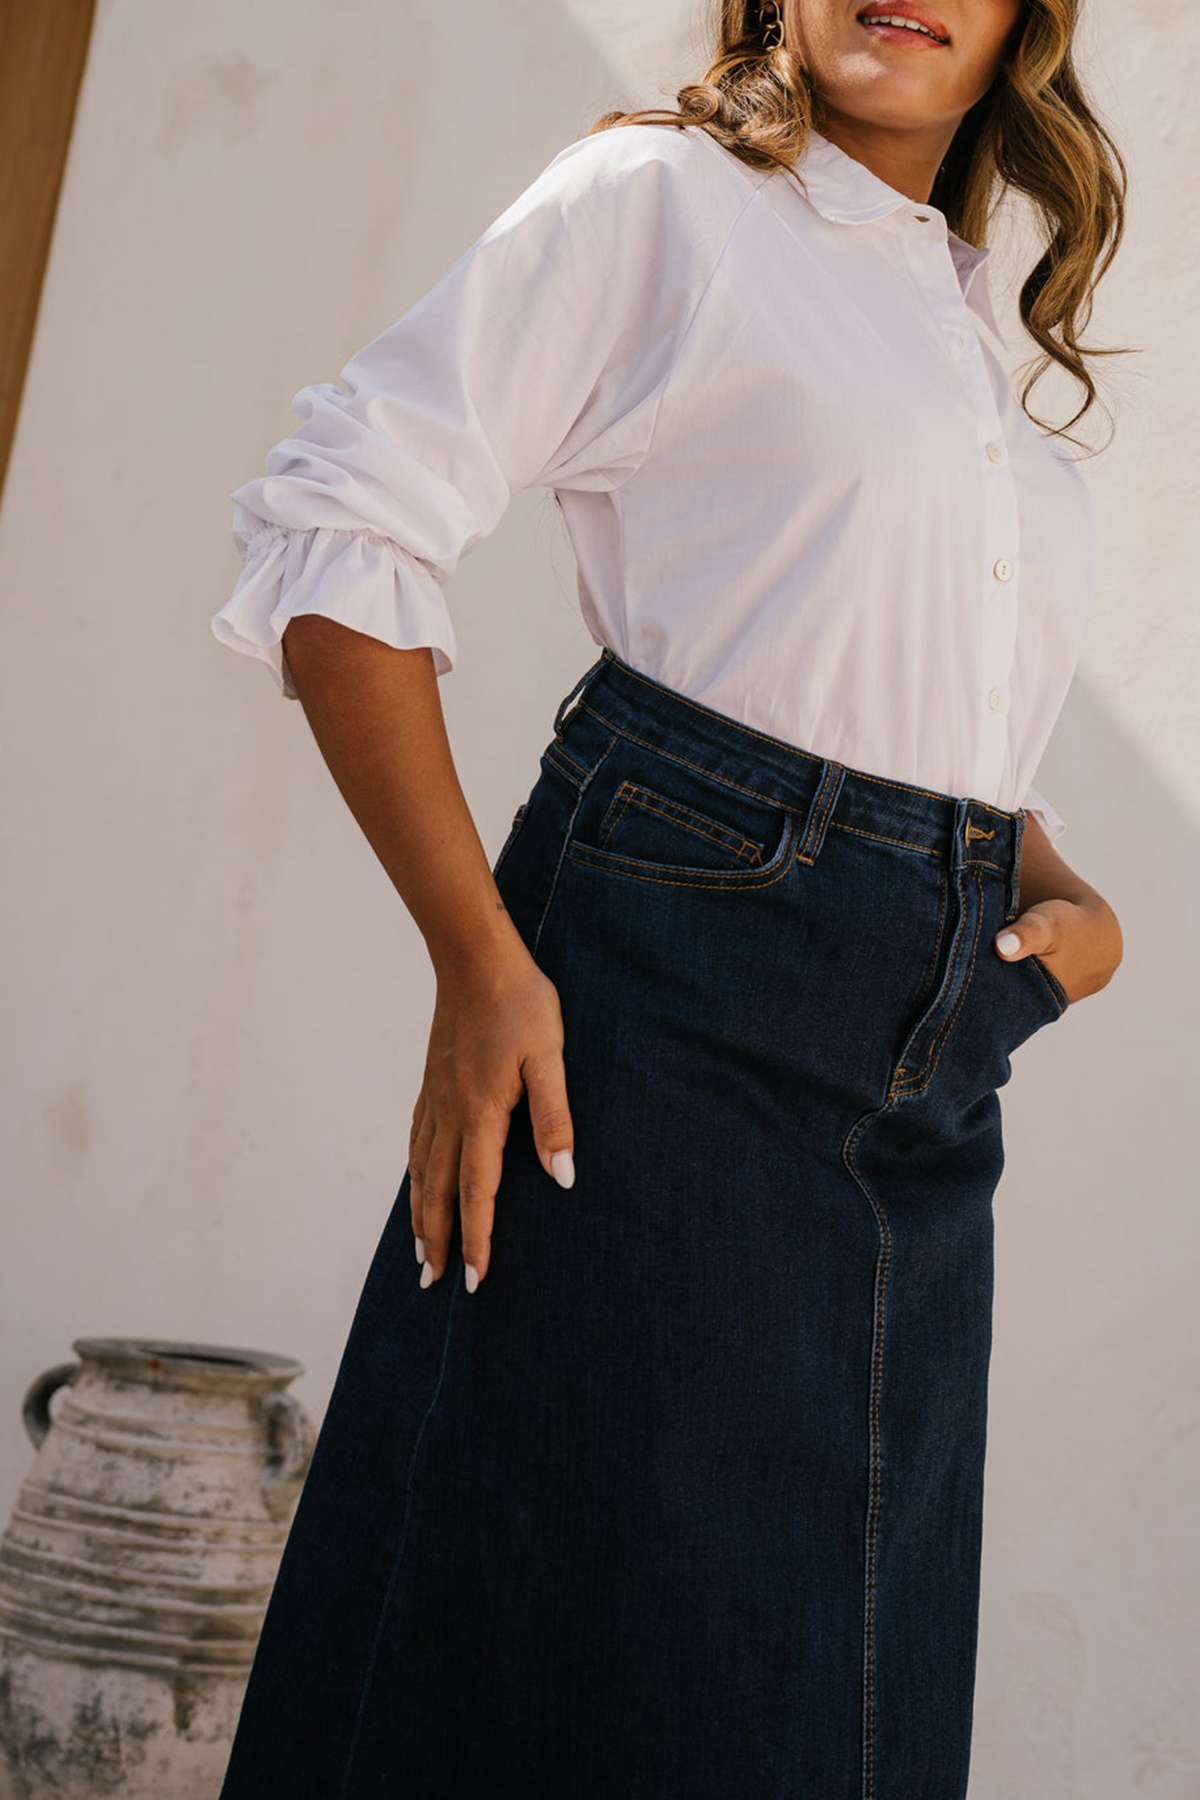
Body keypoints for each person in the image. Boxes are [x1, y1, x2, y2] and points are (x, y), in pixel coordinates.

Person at [210, 1, 1126, 1794]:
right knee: (563, 1680)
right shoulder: (666, 205)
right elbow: (338, 529)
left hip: (928, 1110)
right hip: (669, 1031)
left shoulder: (957, 323)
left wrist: (1062, 899)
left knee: (837, 1722)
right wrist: (478, 959)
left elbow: (899, 711)